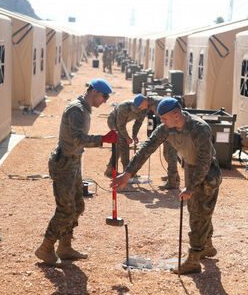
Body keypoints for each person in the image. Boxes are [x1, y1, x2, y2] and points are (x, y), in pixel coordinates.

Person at [111, 98, 221, 274]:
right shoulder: (166, 128)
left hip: (207, 173)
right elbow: (147, 148)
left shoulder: (200, 128)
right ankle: (206, 245)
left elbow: (204, 162)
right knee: (197, 210)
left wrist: (191, 188)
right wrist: (128, 173)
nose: (161, 121)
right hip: (191, 168)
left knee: (199, 214)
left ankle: (194, 259)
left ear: (176, 115)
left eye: (164, 118)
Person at [35, 78, 118, 266]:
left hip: (73, 162)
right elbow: (77, 139)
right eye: (104, 97)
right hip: (64, 164)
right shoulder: (77, 110)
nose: (105, 101)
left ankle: (64, 247)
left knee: (77, 206)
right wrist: (103, 139)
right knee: (65, 209)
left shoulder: (85, 109)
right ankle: (45, 248)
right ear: (94, 92)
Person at [105, 94, 180, 190]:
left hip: (171, 129)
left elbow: (138, 122)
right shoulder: (126, 107)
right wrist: (127, 137)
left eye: (140, 107)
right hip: (114, 122)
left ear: (145, 101)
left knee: (169, 153)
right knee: (122, 144)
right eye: (138, 108)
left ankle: (173, 179)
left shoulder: (155, 104)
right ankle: (119, 171)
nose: (140, 109)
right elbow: (120, 125)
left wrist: (134, 135)